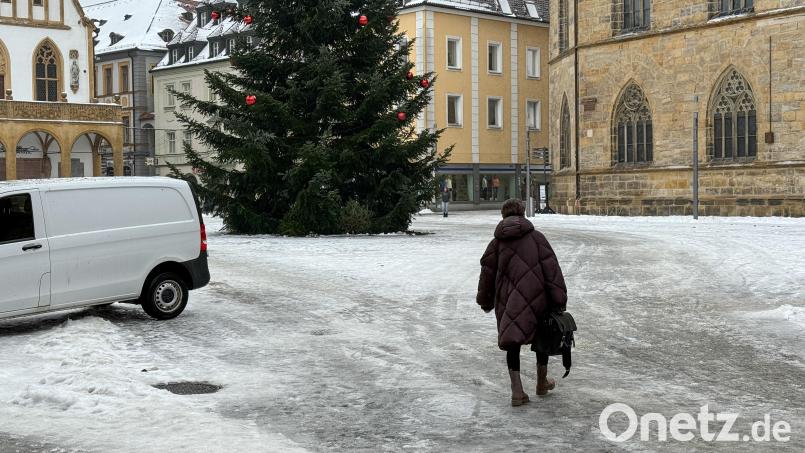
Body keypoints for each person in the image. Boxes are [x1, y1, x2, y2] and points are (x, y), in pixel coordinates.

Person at [476, 199, 568, 406]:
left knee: (512, 343)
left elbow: (486, 275)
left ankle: (517, 391)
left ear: (503, 215)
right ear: (523, 213)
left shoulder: (495, 244)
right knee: (542, 339)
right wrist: (559, 299)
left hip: (507, 302)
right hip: (538, 299)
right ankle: (541, 382)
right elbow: (552, 270)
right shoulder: (537, 238)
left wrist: (485, 301)